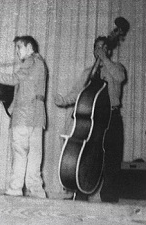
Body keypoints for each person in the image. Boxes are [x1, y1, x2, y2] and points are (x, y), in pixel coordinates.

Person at [54, 36, 126, 202]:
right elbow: (77, 93)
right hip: (92, 121)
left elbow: (120, 78)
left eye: (103, 47)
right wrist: (63, 100)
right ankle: (81, 191)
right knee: (85, 154)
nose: (99, 50)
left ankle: (109, 197)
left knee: (112, 159)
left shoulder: (116, 67)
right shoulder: (88, 73)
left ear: (108, 50)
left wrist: (105, 59)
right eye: (96, 47)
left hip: (112, 117)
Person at [0, 36, 47, 198]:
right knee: (34, 159)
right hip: (37, 118)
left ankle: (15, 189)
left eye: (19, 47)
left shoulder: (30, 61)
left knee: (20, 154)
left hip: (23, 118)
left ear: (29, 47)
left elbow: (14, 79)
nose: (17, 52)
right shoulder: (40, 64)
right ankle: (37, 193)